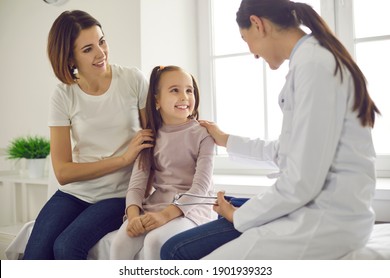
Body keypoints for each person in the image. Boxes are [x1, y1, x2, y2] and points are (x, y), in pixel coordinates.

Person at [160, 0, 380, 260]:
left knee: (176, 251)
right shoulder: (309, 60)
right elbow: (288, 150)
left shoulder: (314, 66)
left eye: (246, 40)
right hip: (313, 205)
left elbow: (301, 181)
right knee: (186, 237)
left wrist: (238, 215)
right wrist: (225, 139)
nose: (252, 52)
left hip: (326, 218)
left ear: (258, 24)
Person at [23, 10, 153, 259]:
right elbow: (63, 172)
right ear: (70, 59)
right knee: (35, 254)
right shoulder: (63, 95)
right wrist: (122, 160)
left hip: (119, 195)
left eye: (102, 41)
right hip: (75, 194)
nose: (101, 53)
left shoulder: (133, 79)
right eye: (87, 49)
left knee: (66, 246)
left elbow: (153, 141)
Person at [109, 65, 215, 260]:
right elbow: (136, 186)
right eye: (175, 90)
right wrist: (133, 217)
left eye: (189, 90)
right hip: (157, 205)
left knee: (155, 241)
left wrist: (165, 216)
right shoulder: (149, 137)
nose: (184, 97)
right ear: (157, 100)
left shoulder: (203, 134)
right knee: (119, 243)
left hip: (192, 208)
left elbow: (201, 187)